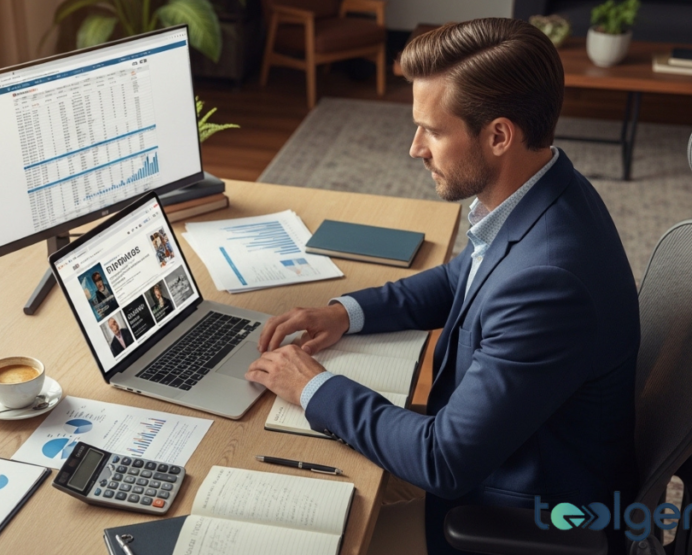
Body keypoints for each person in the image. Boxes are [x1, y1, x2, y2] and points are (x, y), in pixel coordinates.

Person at [246, 18, 639, 554]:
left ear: (499, 135)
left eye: (432, 130)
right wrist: (344, 313)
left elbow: (443, 460)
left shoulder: (550, 282)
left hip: (511, 518)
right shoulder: (543, 189)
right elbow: (464, 277)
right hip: (506, 453)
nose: (415, 148)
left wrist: (312, 386)